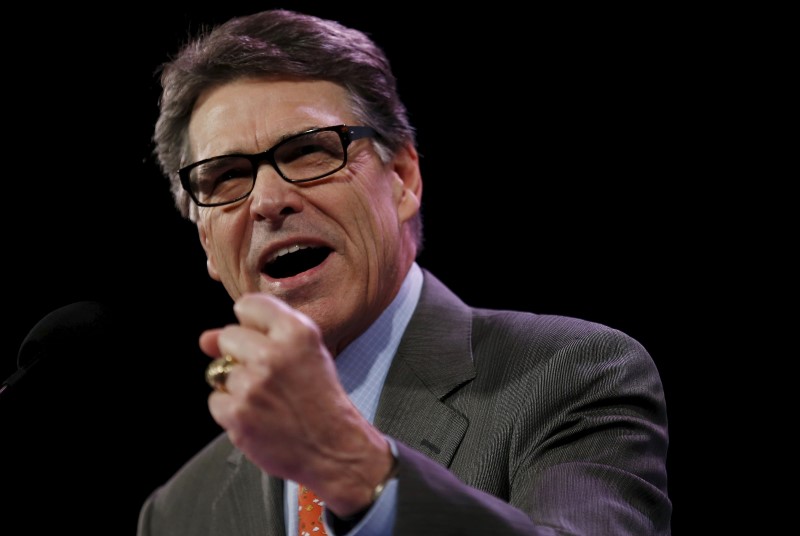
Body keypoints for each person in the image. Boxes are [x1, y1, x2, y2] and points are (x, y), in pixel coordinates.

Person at [136, 8, 671, 536]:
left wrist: (351, 464)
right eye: (227, 176)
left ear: (403, 179)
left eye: (308, 152)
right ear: (206, 239)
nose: (269, 201)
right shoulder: (178, 512)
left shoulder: (568, 374)